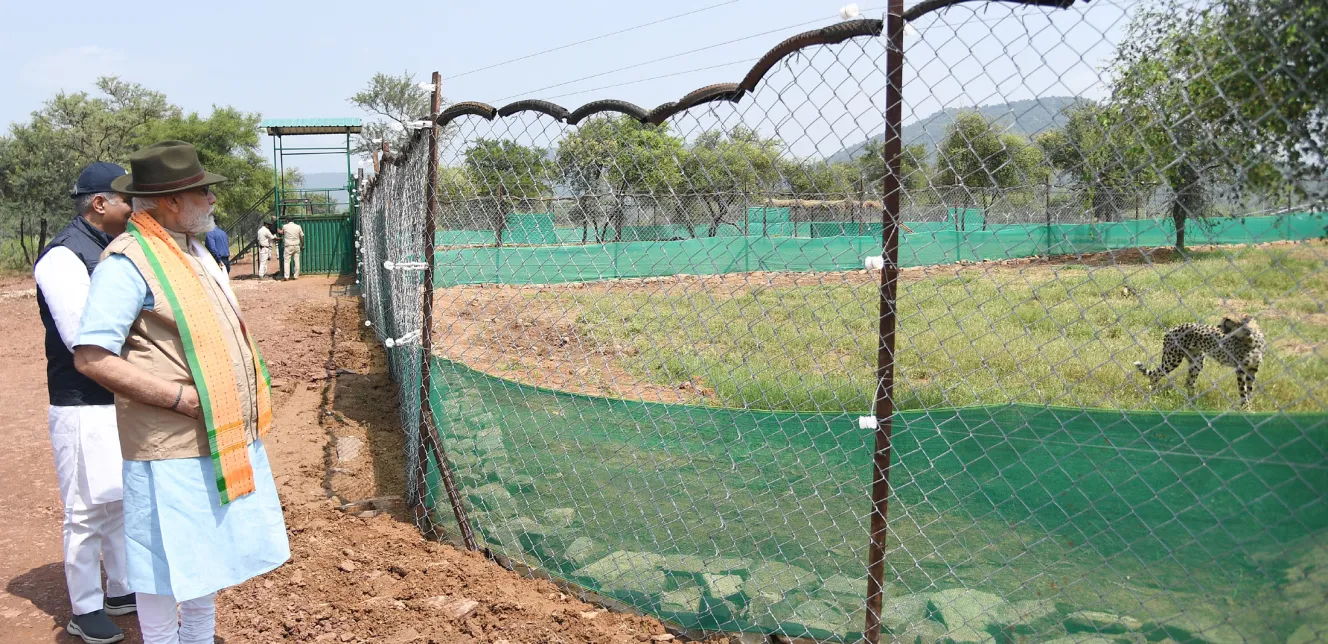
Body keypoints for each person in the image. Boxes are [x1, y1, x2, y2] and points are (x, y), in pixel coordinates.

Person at [72, 141, 290, 644]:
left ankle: (196, 636)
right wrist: (180, 400)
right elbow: (91, 357)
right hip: (168, 444)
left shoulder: (190, 251)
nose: (212, 200)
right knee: (161, 563)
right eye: (203, 192)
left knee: (202, 553)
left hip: (210, 434)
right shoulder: (127, 263)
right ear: (171, 201)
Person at [33, 162, 137, 644]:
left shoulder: (109, 249)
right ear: (100, 203)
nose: (134, 208)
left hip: (115, 396)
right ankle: (85, 608)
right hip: (81, 403)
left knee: (116, 499)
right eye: (127, 200)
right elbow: (83, 336)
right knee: (83, 509)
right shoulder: (64, 256)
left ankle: (119, 589)